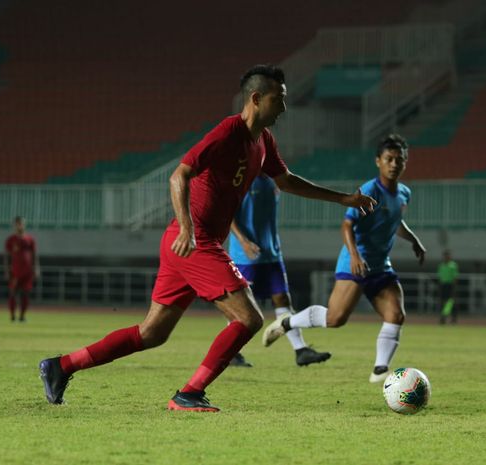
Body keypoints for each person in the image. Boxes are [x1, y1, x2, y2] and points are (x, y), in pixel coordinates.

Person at [38, 64, 376, 412]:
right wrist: (186, 228)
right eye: (279, 100)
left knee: (152, 333)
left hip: (189, 244)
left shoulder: (263, 141)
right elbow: (178, 177)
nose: (284, 108)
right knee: (248, 319)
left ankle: (61, 365)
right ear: (256, 99)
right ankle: (189, 393)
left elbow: (286, 181)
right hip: (194, 241)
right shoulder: (228, 132)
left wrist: (343, 199)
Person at [263, 134, 425, 384]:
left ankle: (380, 371)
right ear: (378, 161)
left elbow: (394, 221)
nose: (394, 164)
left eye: (399, 159)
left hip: (381, 266)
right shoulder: (370, 190)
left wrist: (413, 239)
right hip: (356, 263)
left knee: (396, 315)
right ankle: (287, 322)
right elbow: (348, 224)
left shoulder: (403, 192)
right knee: (335, 319)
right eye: (389, 159)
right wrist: (354, 255)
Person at [228, 174, 331, 367]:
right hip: (245, 255)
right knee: (242, 305)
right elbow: (228, 213)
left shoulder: (274, 178)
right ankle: (232, 352)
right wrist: (243, 241)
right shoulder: (240, 178)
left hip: (271, 252)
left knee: (282, 299)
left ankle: (300, 350)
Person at [4, 216, 39, 322]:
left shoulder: (30, 239)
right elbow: (7, 256)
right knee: (13, 293)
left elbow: (34, 255)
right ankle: (12, 315)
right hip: (15, 272)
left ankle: (22, 316)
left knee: (26, 294)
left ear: (24, 224)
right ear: (14, 225)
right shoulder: (11, 240)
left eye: (21, 223)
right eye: (18, 224)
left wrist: (36, 268)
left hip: (27, 272)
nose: (20, 225)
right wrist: (6, 270)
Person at [438, 250, 459, 324]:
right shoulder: (441, 265)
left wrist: (454, 288)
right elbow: (440, 277)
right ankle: (443, 318)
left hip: (450, 285)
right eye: (445, 256)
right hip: (443, 285)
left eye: (447, 256)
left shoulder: (453, 265)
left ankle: (453, 319)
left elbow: (455, 277)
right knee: (442, 302)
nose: (446, 257)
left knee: (451, 302)